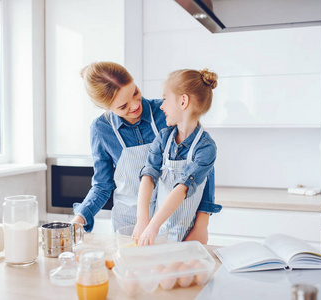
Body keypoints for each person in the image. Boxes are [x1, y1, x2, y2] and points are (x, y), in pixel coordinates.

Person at [71, 62, 221, 244]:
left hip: (170, 221)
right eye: (123, 106)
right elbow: (102, 185)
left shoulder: (167, 112)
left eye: (135, 92)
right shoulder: (101, 129)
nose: (135, 105)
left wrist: (201, 224)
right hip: (128, 223)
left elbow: (203, 169)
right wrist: (80, 219)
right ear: (107, 107)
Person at [133, 68, 218, 245]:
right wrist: (143, 220)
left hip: (187, 237)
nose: (161, 106)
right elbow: (148, 176)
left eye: (165, 99)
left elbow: (182, 188)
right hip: (157, 234)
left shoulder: (206, 148)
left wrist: (153, 225)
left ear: (183, 101)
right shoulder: (163, 138)